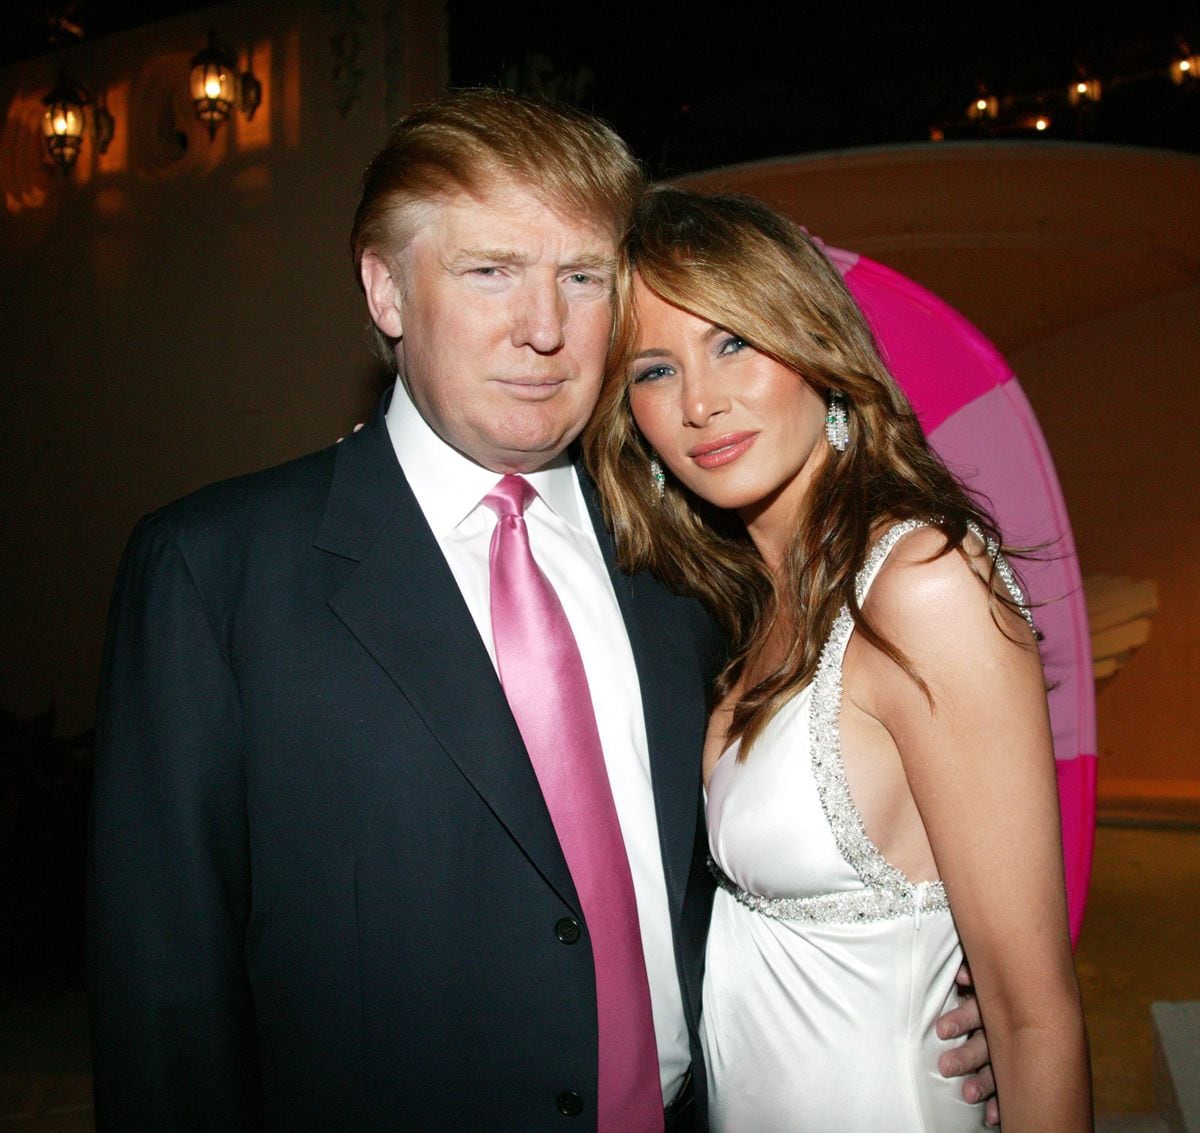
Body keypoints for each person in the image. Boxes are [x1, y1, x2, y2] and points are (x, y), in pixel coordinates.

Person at [89, 92, 994, 1131]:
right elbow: (164, 1006)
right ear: (386, 290)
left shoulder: (698, 553)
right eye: (491, 272)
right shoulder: (214, 575)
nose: (545, 329)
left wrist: (946, 983)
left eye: (583, 278)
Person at [585, 186, 1092, 1132]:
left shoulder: (922, 581)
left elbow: (1033, 1014)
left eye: (734, 340)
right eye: (655, 370)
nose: (702, 401)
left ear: (815, 341)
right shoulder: (743, 602)